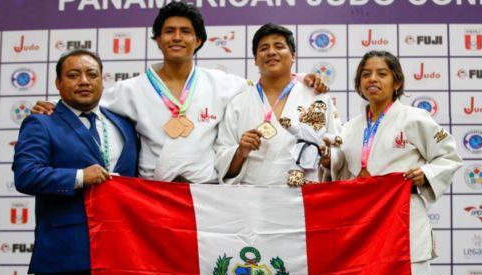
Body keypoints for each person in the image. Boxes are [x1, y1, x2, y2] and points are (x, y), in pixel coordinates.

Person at [33, 1, 327, 184]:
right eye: (169, 31)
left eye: (185, 31)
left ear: (198, 40)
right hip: (155, 192)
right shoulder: (129, 89)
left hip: (205, 192)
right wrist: (55, 110)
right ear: (157, 39)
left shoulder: (223, 83)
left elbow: (268, 84)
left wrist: (303, 80)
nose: (177, 37)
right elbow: (87, 102)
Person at [321, 50, 462, 275]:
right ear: (359, 84)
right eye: (366, 74)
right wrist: (330, 161)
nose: (372, 79)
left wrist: (426, 174)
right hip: (364, 226)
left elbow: (449, 157)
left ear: (396, 82)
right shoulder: (350, 128)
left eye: (381, 74)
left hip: (403, 219)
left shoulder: (415, 118)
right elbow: (342, 174)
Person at [12, 49, 139, 275]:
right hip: (63, 257)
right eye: (73, 75)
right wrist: (80, 177)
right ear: (58, 83)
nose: (84, 80)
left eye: (92, 74)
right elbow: (26, 175)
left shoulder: (125, 125)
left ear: (103, 81)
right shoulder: (41, 123)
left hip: (119, 255)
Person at [215, 23, 341, 186]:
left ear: (293, 55)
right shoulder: (238, 103)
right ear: (255, 59)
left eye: (279, 46)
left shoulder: (316, 96)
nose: (271, 52)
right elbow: (222, 164)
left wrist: (329, 156)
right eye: (264, 48)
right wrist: (240, 152)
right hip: (253, 200)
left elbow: (338, 147)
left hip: (306, 197)